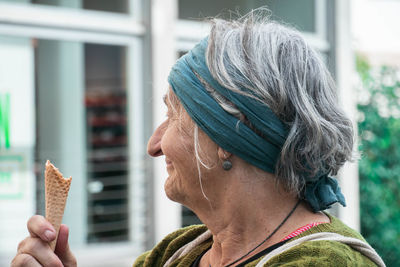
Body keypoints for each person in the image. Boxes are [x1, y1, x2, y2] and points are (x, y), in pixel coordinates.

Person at [12, 11, 385, 267]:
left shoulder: (328, 262)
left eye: (174, 115)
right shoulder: (177, 253)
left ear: (230, 134)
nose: (153, 145)